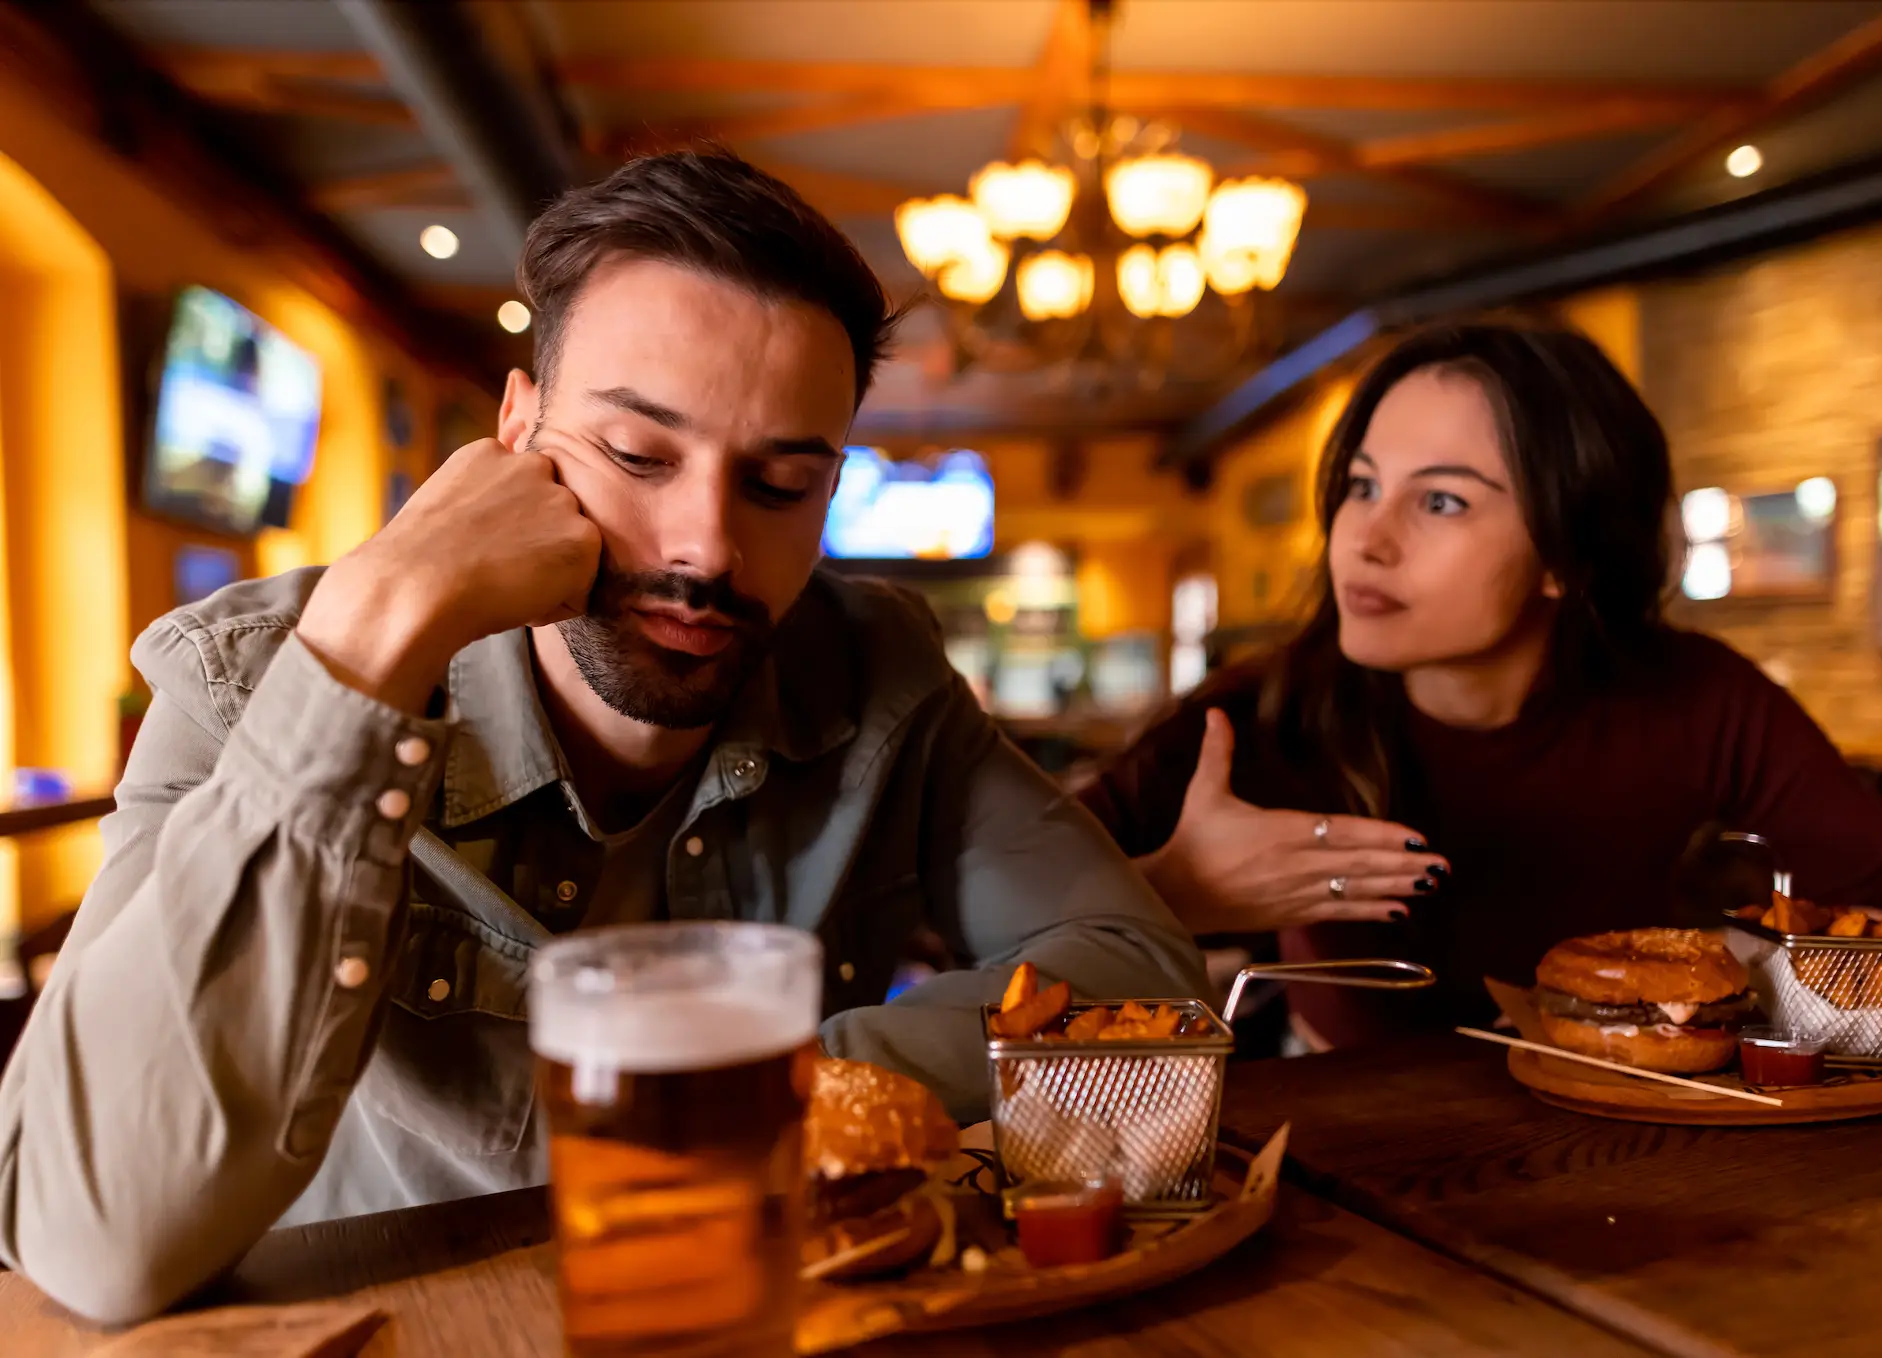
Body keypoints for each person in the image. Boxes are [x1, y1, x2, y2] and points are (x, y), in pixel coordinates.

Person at [0, 152, 1208, 1324]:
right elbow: (95, 1238)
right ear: (518, 427)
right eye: (637, 455)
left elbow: (1136, 972)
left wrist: (778, 1087)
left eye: (780, 485)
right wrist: (370, 641)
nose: (704, 548)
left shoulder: (875, 668)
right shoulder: (247, 677)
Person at [1077, 320, 1882, 1051]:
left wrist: (1743, 957)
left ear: (1567, 552)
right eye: (1362, 486)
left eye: (1441, 502)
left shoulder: (1693, 695)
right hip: (1336, 1132)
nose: (1365, 541)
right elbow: (963, 931)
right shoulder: (1261, 714)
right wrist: (1171, 894)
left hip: (1613, 1130)